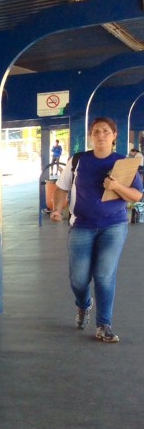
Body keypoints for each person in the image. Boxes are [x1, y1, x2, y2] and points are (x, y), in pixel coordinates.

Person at [50, 117, 143, 342]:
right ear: (91, 136)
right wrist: (57, 209)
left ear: (114, 136)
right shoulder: (78, 160)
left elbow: (137, 195)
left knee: (104, 275)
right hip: (81, 225)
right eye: (96, 131)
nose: (100, 135)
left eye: (105, 131)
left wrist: (117, 186)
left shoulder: (124, 163)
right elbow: (61, 188)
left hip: (113, 225)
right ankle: (84, 305)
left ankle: (104, 325)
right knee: (79, 279)